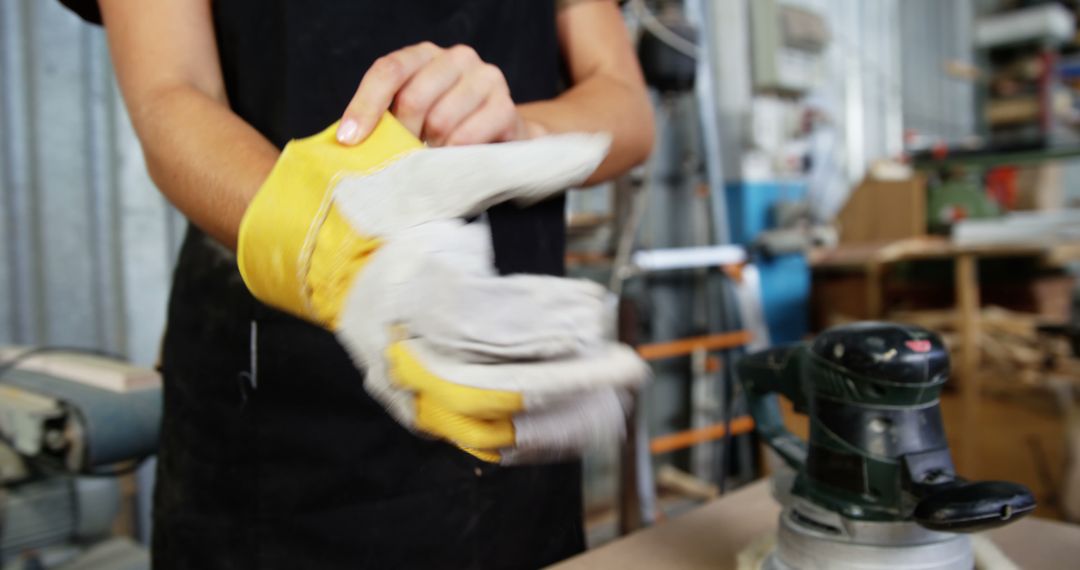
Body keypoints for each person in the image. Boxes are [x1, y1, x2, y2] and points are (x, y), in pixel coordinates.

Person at [59, 0, 654, 567]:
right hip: (279, 431)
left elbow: (623, 101)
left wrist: (517, 130)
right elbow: (172, 91)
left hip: (502, 386)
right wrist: (337, 248)